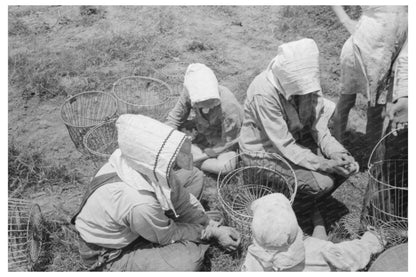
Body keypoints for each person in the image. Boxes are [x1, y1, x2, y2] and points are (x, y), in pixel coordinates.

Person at [71, 114, 241, 271]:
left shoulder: (137, 162)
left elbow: (182, 199)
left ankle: (179, 228)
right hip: (110, 252)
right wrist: (207, 232)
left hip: (137, 222)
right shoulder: (139, 201)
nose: (174, 164)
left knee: (193, 176)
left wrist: (212, 226)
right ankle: (179, 241)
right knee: (188, 260)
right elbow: (168, 235)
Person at [239, 38, 358, 204]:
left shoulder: (309, 85)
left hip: (295, 140)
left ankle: (310, 200)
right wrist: (324, 164)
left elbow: (319, 127)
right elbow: (284, 145)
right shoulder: (264, 93)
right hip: (266, 151)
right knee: (323, 183)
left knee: (346, 166)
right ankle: (284, 198)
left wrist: (336, 153)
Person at [241, 193, 384, 271]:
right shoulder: (318, 250)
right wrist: (373, 239)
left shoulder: (253, 259)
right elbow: (352, 254)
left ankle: (317, 218)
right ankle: (317, 218)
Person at [331, 6, 408, 144]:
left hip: (392, 51)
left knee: (378, 111)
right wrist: (345, 20)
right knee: (347, 100)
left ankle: (372, 160)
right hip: (363, 45)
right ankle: (337, 149)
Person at [166, 63, 244, 175]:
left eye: (211, 102)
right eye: (201, 103)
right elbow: (174, 119)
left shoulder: (229, 106)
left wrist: (203, 156)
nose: (208, 106)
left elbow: (229, 142)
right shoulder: (189, 92)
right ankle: (186, 153)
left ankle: (187, 159)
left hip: (221, 143)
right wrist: (166, 139)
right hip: (200, 132)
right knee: (166, 130)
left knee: (225, 167)